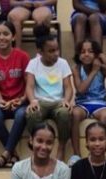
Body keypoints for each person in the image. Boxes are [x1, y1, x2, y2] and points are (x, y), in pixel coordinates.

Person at [25, 27, 75, 163]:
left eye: (57, 49)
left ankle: (61, 147)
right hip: (40, 101)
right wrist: (32, 100)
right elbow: (29, 86)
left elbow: (68, 87)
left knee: (64, 113)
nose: (56, 54)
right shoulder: (33, 63)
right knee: (32, 113)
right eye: (51, 51)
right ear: (40, 52)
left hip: (58, 102)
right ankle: (35, 147)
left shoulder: (63, 63)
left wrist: (66, 100)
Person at [0, 20, 30, 167]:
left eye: (6, 34)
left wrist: (22, 99)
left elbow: (29, 83)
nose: (1, 37)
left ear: (13, 37)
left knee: (22, 114)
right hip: (3, 102)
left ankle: (5, 155)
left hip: (20, 102)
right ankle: (12, 153)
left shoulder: (22, 56)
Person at [72, 39, 106, 163]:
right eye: (83, 52)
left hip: (100, 104)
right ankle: (76, 154)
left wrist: (105, 60)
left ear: (96, 54)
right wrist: (94, 71)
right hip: (82, 103)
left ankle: (98, 151)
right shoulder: (77, 69)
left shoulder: (102, 68)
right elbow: (81, 90)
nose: (86, 54)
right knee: (74, 114)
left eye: (90, 51)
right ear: (78, 55)